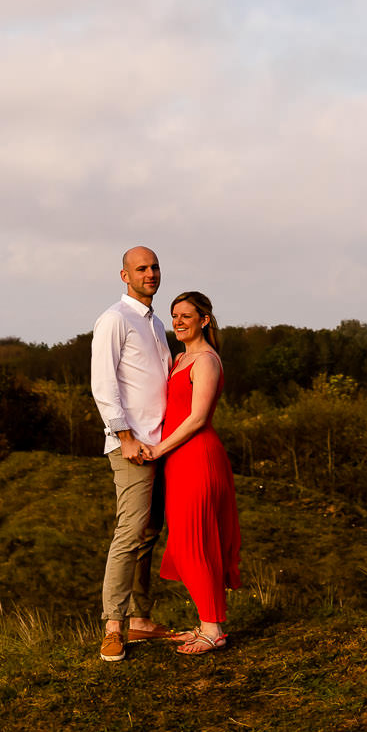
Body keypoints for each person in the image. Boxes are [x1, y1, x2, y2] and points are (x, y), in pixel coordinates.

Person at [90, 246, 175, 661]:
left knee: (150, 534)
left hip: (161, 444)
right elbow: (103, 384)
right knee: (129, 533)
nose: (150, 273)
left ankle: (141, 620)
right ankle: (113, 626)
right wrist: (124, 436)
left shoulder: (157, 323)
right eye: (141, 268)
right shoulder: (114, 320)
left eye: (155, 267)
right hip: (131, 445)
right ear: (124, 276)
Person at [148, 289, 242, 655]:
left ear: (204, 319)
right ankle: (208, 622)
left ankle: (214, 631)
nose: (178, 322)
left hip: (199, 458)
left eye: (186, 315)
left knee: (197, 544)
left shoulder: (205, 360)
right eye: (174, 317)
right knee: (187, 544)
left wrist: (158, 448)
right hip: (179, 460)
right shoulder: (180, 358)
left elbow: (198, 418)